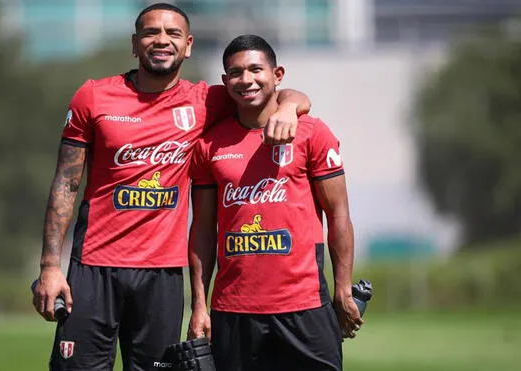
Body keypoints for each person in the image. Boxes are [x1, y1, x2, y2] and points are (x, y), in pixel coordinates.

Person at [31, 3, 312, 371]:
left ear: (188, 45)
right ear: (135, 44)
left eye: (172, 33)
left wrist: (289, 108)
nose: (161, 40)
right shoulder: (93, 96)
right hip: (93, 268)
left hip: (162, 275)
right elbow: (66, 182)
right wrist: (50, 266)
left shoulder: (208, 101)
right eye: (151, 33)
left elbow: (275, 91)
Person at [187, 34, 362, 371]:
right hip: (234, 311)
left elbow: (339, 214)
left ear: (277, 74)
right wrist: (199, 304)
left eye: (256, 69)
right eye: (236, 73)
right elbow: (203, 229)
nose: (246, 80)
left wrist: (342, 288)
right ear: (225, 82)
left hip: (305, 307)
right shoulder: (209, 145)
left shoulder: (312, 133)